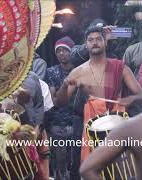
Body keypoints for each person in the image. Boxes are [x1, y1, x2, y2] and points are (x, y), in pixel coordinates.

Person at [56, 26, 142, 163]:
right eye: (90, 40)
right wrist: (65, 85)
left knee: (121, 169)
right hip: (93, 129)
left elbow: (141, 96)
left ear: (105, 42)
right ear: (86, 44)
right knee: (94, 168)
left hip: (118, 126)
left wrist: (130, 99)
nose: (95, 42)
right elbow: (61, 102)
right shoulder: (78, 72)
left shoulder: (120, 67)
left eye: (98, 39)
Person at [45, 36, 83, 180]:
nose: (61, 53)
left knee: (78, 160)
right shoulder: (51, 71)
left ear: (72, 52)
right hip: (58, 123)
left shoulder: (82, 70)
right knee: (60, 163)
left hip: (78, 121)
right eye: (58, 51)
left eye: (65, 50)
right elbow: (53, 100)